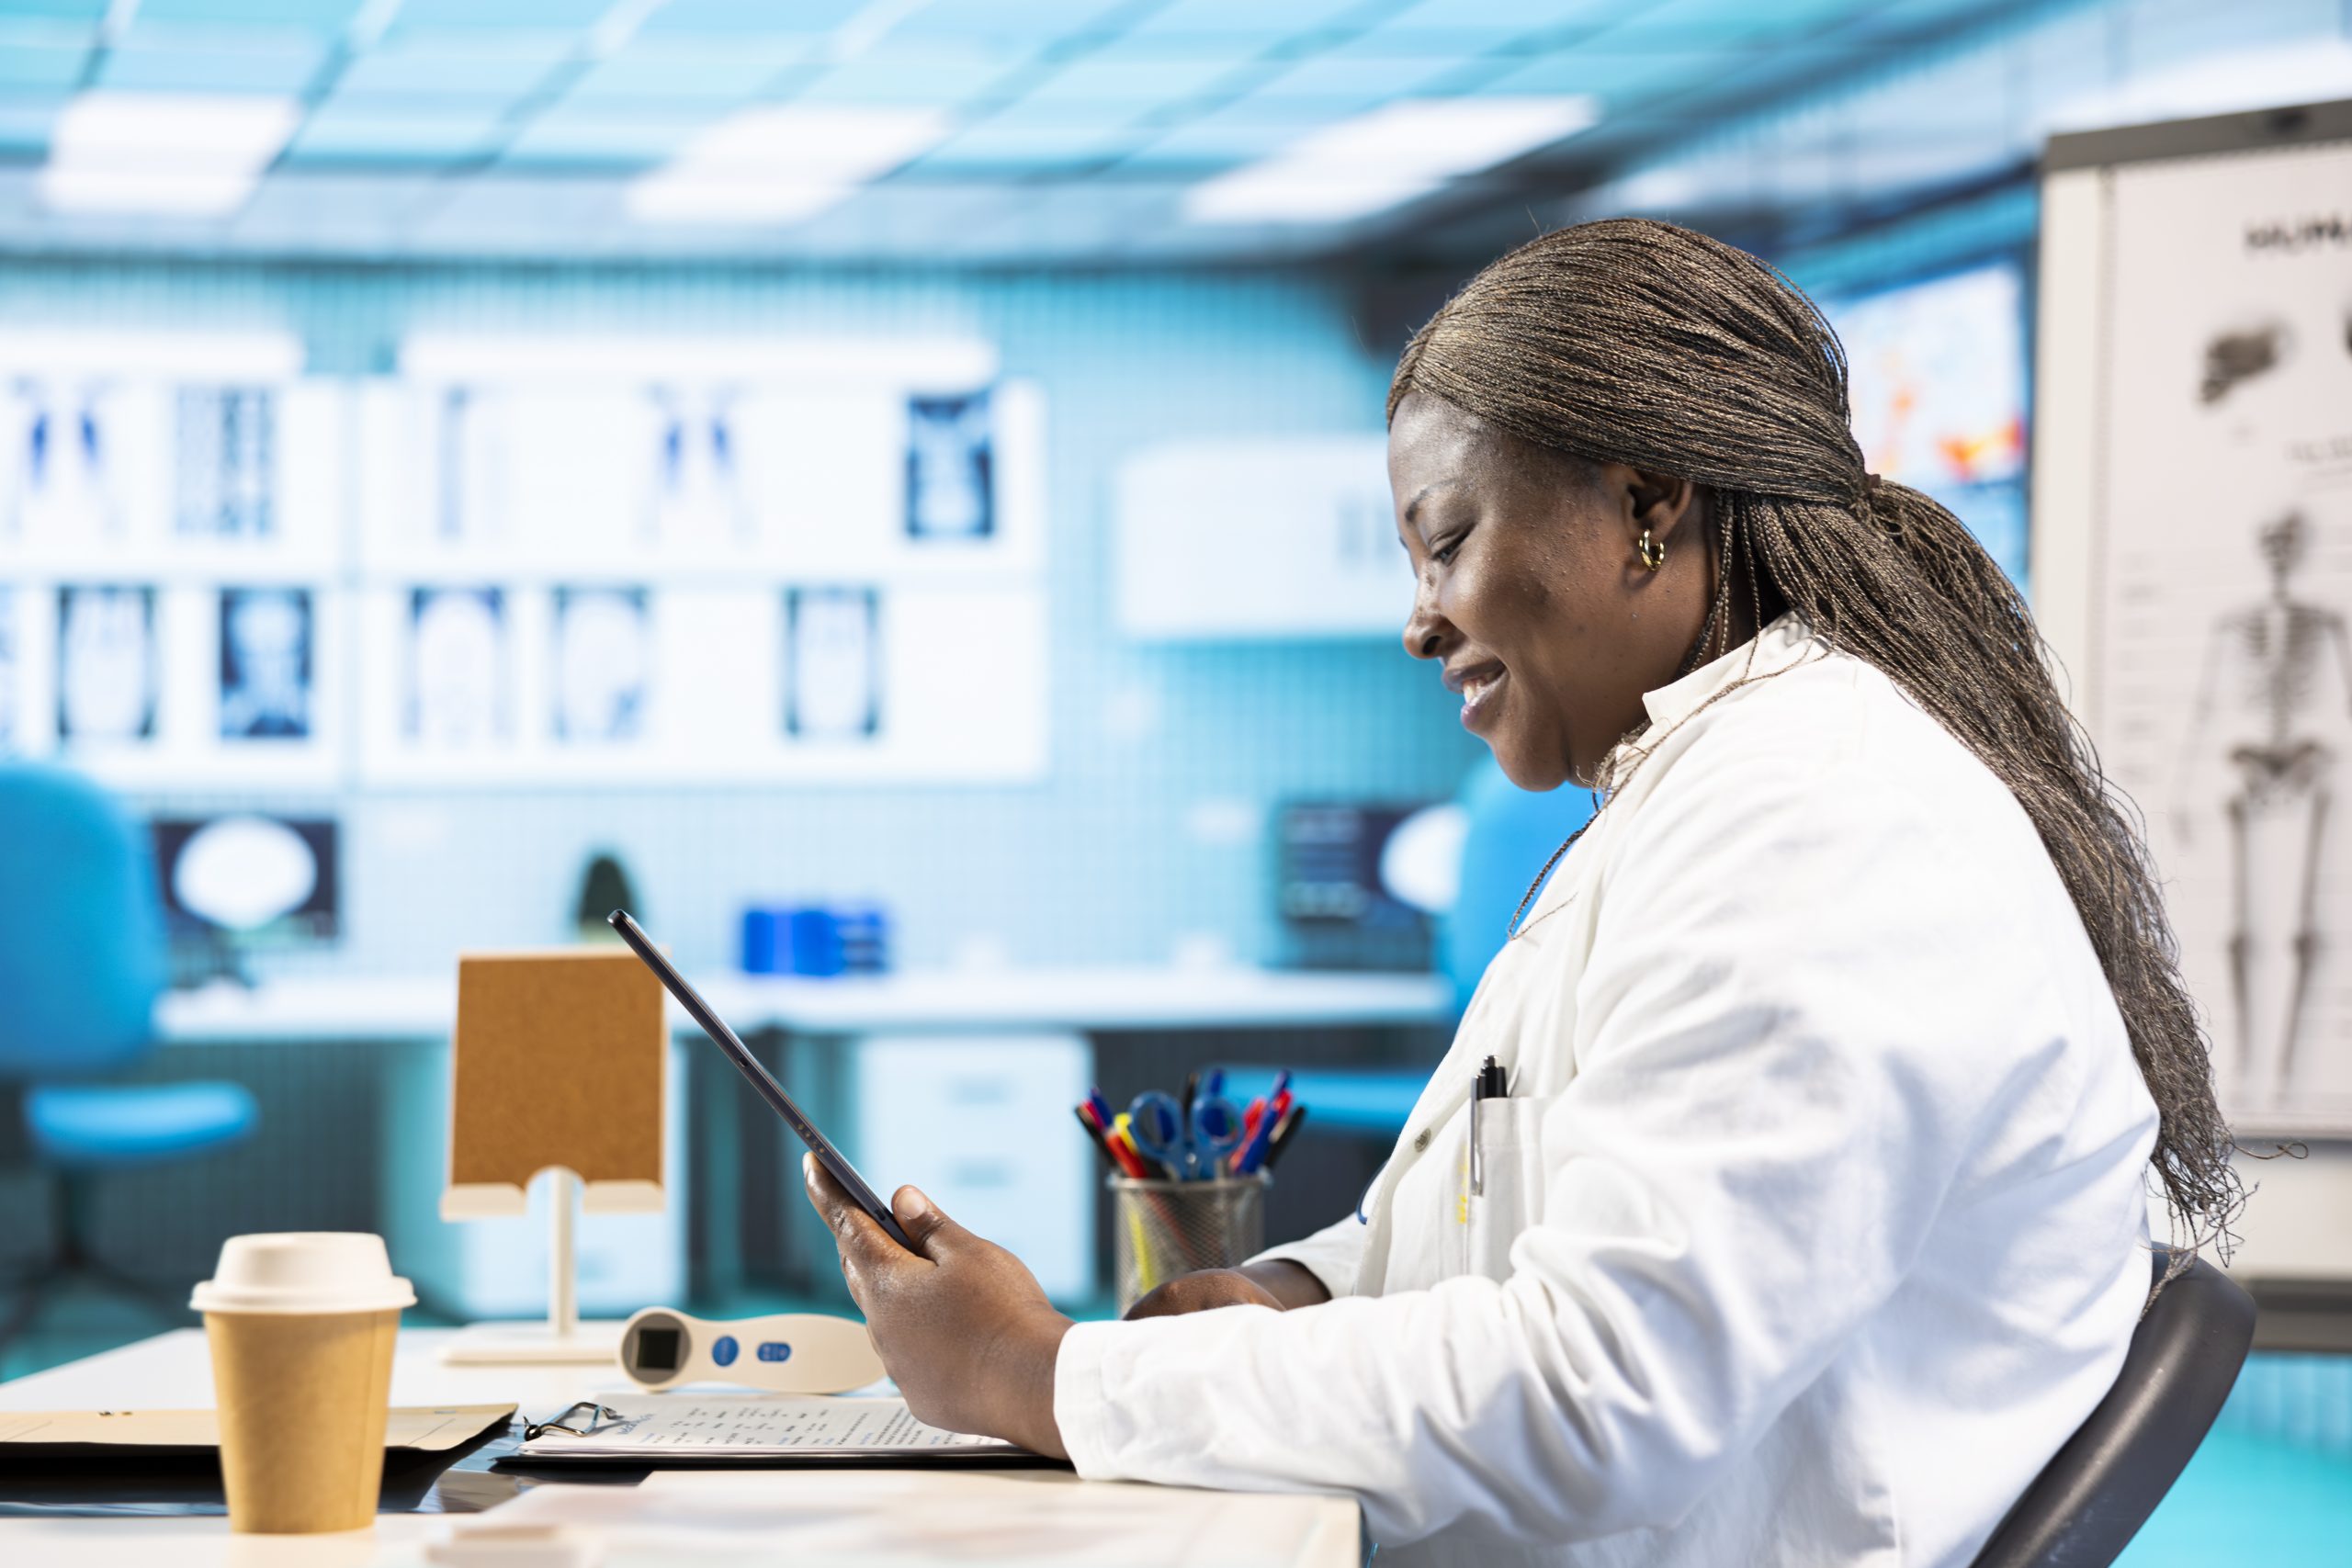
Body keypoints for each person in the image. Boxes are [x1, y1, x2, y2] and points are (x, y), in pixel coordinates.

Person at [801, 219, 2239, 1567]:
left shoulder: (1817, 822)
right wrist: (1295, 1295)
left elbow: (1603, 1391)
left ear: (1649, 505)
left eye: (1446, 542)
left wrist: (1039, 1374)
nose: (1418, 620)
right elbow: (1510, 1216)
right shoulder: (1700, 794)